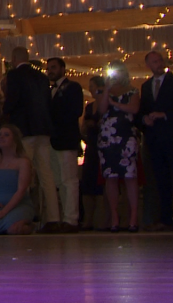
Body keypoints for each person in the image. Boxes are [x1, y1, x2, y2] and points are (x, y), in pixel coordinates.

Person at [3, 47, 60, 232]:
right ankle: (53, 217)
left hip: (24, 130)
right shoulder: (42, 77)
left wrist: (4, 112)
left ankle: (21, 217)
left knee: (23, 175)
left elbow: (12, 101)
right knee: (46, 175)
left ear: (14, 58)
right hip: (43, 129)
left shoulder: (14, 76)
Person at [138, 51, 173, 232]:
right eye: (154, 62)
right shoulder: (146, 86)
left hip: (172, 134)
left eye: (160, 60)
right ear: (148, 65)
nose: (159, 64)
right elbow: (143, 110)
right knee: (161, 179)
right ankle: (166, 219)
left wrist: (166, 114)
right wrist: (145, 119)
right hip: (154, 137)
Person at [97, 61, 141, 232]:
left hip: (126, 135)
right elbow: (101, 110)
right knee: (111, 176)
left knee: (130, 176)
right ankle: (114, 217)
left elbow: (134, 109)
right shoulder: (104, 91)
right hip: (108, 137)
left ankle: (133, 218)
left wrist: (116, 104)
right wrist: (107, 89)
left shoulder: (132, 90)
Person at [47, 57, 84, 233]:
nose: (50, 71)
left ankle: (72, 219)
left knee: (69, 180)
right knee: (59, 181)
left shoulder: (73, 87)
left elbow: (76, 111)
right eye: (49, 68)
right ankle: (64, 218)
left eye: (54, 67)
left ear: (63, 68)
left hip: (66, 139)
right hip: (53, 141)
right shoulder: (49, 91)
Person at [0, 125, 35, 235]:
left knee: (12, 228)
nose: (1, 137)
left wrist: (4, 212)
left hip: (19, 205)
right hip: (0, 206)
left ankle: (28, 225)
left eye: (6, 135)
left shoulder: (23, 162)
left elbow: (21, 190)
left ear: (14, 140)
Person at [80, 76, 108, 231]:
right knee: (88, 183)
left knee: (102, 183)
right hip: (91, 147)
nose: (90, 89)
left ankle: (103, 219)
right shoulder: (89, 107)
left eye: (92, 86)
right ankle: (88, 219)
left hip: (104, 147)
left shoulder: (108, 104)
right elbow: (83, 127)